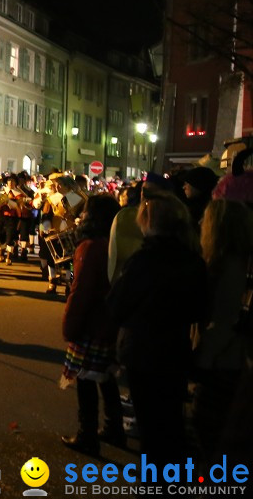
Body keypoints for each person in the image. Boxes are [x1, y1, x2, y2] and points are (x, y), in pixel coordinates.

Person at [107, 192, 206, 469]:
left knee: (150, 428)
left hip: (142, 352)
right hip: (175, 350)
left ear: (147, 223)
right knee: (171, 422)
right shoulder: (193, 260)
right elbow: (200, 309)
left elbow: (116, 305)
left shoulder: (143, 260)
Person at [59, 194, 123, 456]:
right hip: (109, 319)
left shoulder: (90, 247)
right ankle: (113, 427)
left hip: (90, 321)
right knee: (105, 376)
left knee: (85, 378)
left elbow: (79, 288)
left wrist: (69, 323)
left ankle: (87, 435)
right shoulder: (114, 242)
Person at [192, 199, 252, 463]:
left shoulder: (223, 266)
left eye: (206, 219)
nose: (200, 223)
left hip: (223, 361)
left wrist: (200, 365)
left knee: (210, 427)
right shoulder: (243, 262)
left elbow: (221, 321)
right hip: (236, 359)